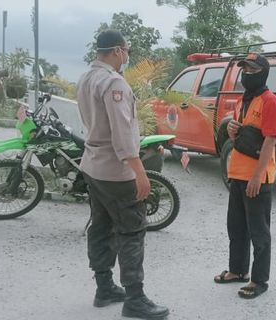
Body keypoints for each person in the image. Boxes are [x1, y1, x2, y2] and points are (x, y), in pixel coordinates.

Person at [76, 30, 169, 319]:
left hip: (93, 166)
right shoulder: (113, 83)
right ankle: (135, 299)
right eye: (127, 50)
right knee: (131, 231)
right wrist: (140, 172)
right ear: (117, 50)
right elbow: (123, 134)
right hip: (117, 171)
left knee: (102, 226)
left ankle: (104, 288)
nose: (127, 56)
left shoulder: (86, 77)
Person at [213, 53, 276, 299]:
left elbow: (270, 140)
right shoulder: (244, 100)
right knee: (236, 227)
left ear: (262, 73)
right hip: (237, 174)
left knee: (259, 232)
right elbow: (242, 136)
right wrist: (232, 128)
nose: (247, 74)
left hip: (256, 178)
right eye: (245, 69)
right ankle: (237, 271)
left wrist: (257, 176)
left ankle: (259, 280)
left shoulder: (270, 101)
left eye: (252, 70)